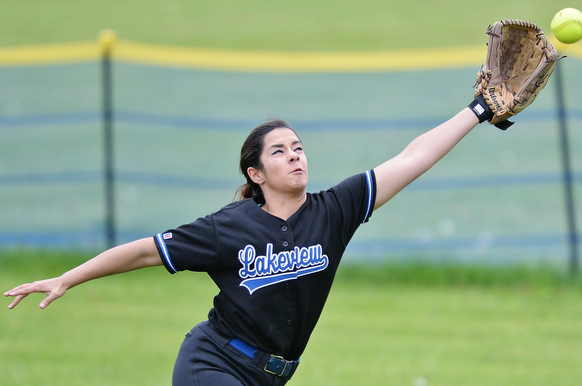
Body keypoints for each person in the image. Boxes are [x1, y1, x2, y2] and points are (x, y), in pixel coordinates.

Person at [5, 96, 497, 385]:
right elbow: (144, 250)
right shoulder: (229, 227)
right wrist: (67, 278)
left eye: (299, 148)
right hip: (214, 364)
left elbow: (413, 158)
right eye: (280, 152)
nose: (295, 157)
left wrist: (477, 110)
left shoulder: (334, 211)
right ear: (255, 172)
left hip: (274, 374)